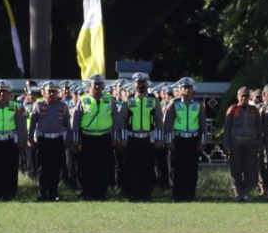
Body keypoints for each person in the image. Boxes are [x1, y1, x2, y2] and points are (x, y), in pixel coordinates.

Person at [162, 78, 208, 202]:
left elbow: (203, 125)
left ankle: (190, 193)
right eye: (184, 88)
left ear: (192, 90)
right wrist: (169, 141)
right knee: (177, 168)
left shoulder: (198, 105)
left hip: (193, 140)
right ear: (180, 90)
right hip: (178, 140)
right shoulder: (174, 104)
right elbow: (168, 124)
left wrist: (203, 141)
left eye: (189, 88)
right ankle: (178, 193)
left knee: (192, 168)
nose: (187, 90)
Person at [71, 76, 117, 201]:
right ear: (89, 86)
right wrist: (75, 139)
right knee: (86, 167)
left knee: (103, 166)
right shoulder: (83, 100)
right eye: (94, 84)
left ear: (103, 86)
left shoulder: (109, 100)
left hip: (104, 138)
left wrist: (116, 137)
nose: (97, 87)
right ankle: (87, 193)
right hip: (87, 138)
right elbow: (76, 121)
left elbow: (116, 119)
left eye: (99, 84)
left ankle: (101, 193)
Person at [117, 73, 160, 202]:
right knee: (132, 167)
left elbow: (159, 121)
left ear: (147, 84)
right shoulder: (128, 101)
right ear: (134, 84)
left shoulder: (153, 101)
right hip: (132, 139)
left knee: (147, 167)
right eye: (138, 83)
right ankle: (133, 194)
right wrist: (123, 139)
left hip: (148, 139)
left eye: (143, 83)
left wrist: (160, 138)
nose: (141, 85)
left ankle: (146, 194)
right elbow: (122, 122)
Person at [28, 80, 71, 201]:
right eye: (49, 92)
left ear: (57, 93)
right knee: (42, 168)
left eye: (54, 92)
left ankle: (54, 192)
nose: (51, 94)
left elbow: (67, 124)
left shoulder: (62, 106)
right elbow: (32, 124)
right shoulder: (38, 105)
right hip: (43, 140)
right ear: (44, 92)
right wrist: (30, 138)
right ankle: (42, 193)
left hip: (57, 140)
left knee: (55, 167)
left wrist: (68, 139)